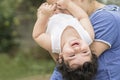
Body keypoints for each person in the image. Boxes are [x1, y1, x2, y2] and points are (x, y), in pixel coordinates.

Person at [50, 0, 120, 80]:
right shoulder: (88, 20)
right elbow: (63, 60)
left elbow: (67, 60)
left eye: (60, 4)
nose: (57, 10)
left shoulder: (106, 19)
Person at [32, 1, 98, 80]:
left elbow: (38, 35)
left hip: (49, 13)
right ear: (90, 50)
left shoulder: (54, 44)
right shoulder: (88, 36)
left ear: (61, 57)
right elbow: (82, 17)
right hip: (66, 8)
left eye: (72, 55)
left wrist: (44, 16)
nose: (77, 49)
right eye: (85, 52)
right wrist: (68, 4)